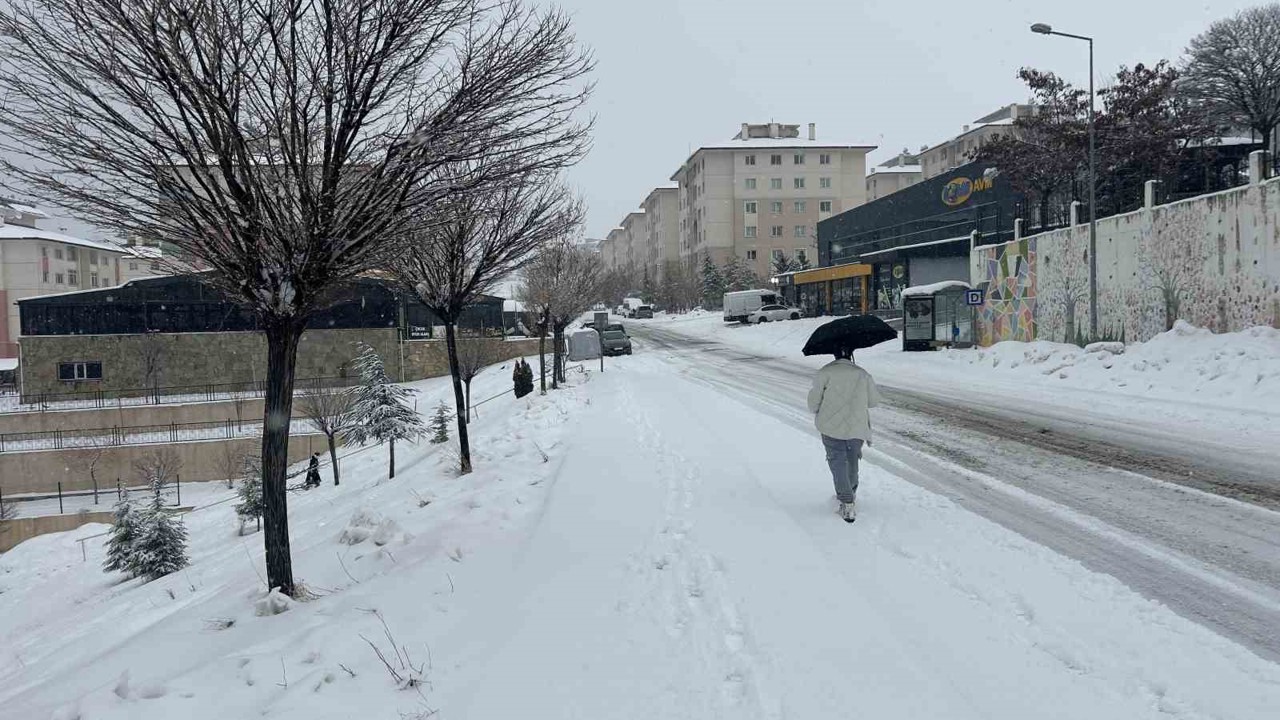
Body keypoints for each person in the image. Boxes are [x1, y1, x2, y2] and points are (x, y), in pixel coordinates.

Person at [807, 344, 881, 523]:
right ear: (851, 354)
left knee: (837, 462)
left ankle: (847, 501)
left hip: (831, 427)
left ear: (834, 354)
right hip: (857, 427)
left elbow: (813, 404)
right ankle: (850, 492)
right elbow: (873, 401)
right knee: (852, 460)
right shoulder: (862, 374)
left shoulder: (825, 373)